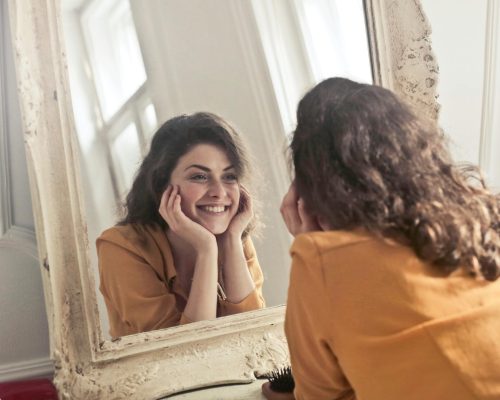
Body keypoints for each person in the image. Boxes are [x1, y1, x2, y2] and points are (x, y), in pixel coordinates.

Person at [278, 77, 500, 399]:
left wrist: (309, 243)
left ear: (312, 192)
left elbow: (319, 396)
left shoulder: (322, 262)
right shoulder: (480, 216)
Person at [97, 112, 265, 338]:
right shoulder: (121, 247)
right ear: (162, 185)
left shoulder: (234, 237)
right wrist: (206, 250)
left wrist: (232, 242)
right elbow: (180, 351)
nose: (219, 192)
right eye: (199, 177)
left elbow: (254, 335)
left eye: (229, 176)